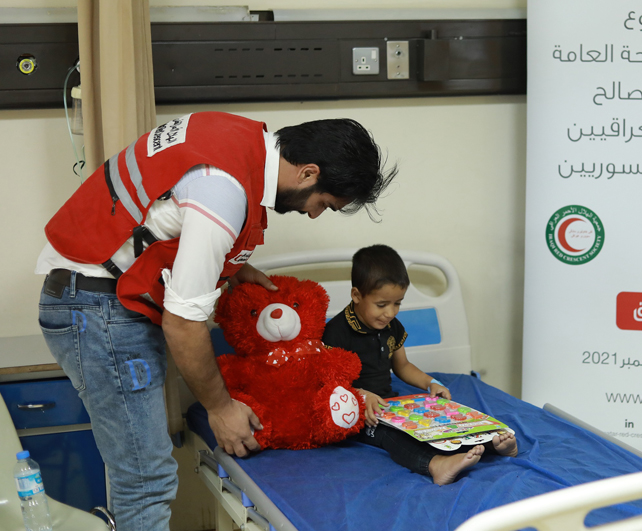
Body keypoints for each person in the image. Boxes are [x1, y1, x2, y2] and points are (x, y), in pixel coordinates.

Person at [35, 112, 395, 531]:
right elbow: (183, 324)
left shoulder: (235, 136)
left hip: (87, 292)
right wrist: (220, 409)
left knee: (140, 477)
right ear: (308, 173)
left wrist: (227, 266)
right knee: (146, 481)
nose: (314, 214)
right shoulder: (223, 191)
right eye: (324, 204)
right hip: (96, 307)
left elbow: (165, 214)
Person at [322, 244, 517, 485]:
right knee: (392, 435)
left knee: (433, 421)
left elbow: (402, 366)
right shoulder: (335, 333)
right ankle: (435, 465)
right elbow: (327, 385)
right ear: (357, 295)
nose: (390, 313)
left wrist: (430, 382)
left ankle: (490, 444)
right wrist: (361, 396)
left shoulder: (391, 326)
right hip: (357, 414)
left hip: (388, 406)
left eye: (397, 303)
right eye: (382, 305)